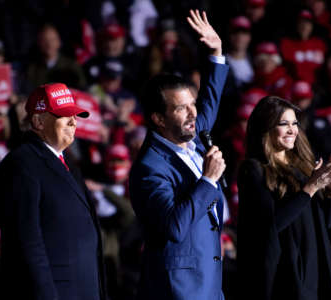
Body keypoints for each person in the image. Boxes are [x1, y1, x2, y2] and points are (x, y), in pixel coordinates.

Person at [129, 10, 229, 300]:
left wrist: (216, 51)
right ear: (159, 119)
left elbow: (210, 98)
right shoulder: (150, 167)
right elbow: (174, 226)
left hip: (210, 284)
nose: (193, 114)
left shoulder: (193, 132)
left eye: (192, 104)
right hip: (179, 290)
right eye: (181, 108)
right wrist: (208, 180)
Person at [0, 83, 106, 300]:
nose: (74, 122)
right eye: (64, 116)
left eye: (75, 115)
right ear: (38, 121)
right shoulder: (21, 165)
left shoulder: (68, 163)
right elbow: (27, 242)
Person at [237, 95, 331, 300]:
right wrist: (310, 188)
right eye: (284, 124)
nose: (292, 130)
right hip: (287, 279)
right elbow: (269, 227)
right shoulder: (253, 170)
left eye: (294, 123)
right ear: (266, 128)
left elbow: (325, 227)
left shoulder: (303, 166)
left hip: (318, 273)